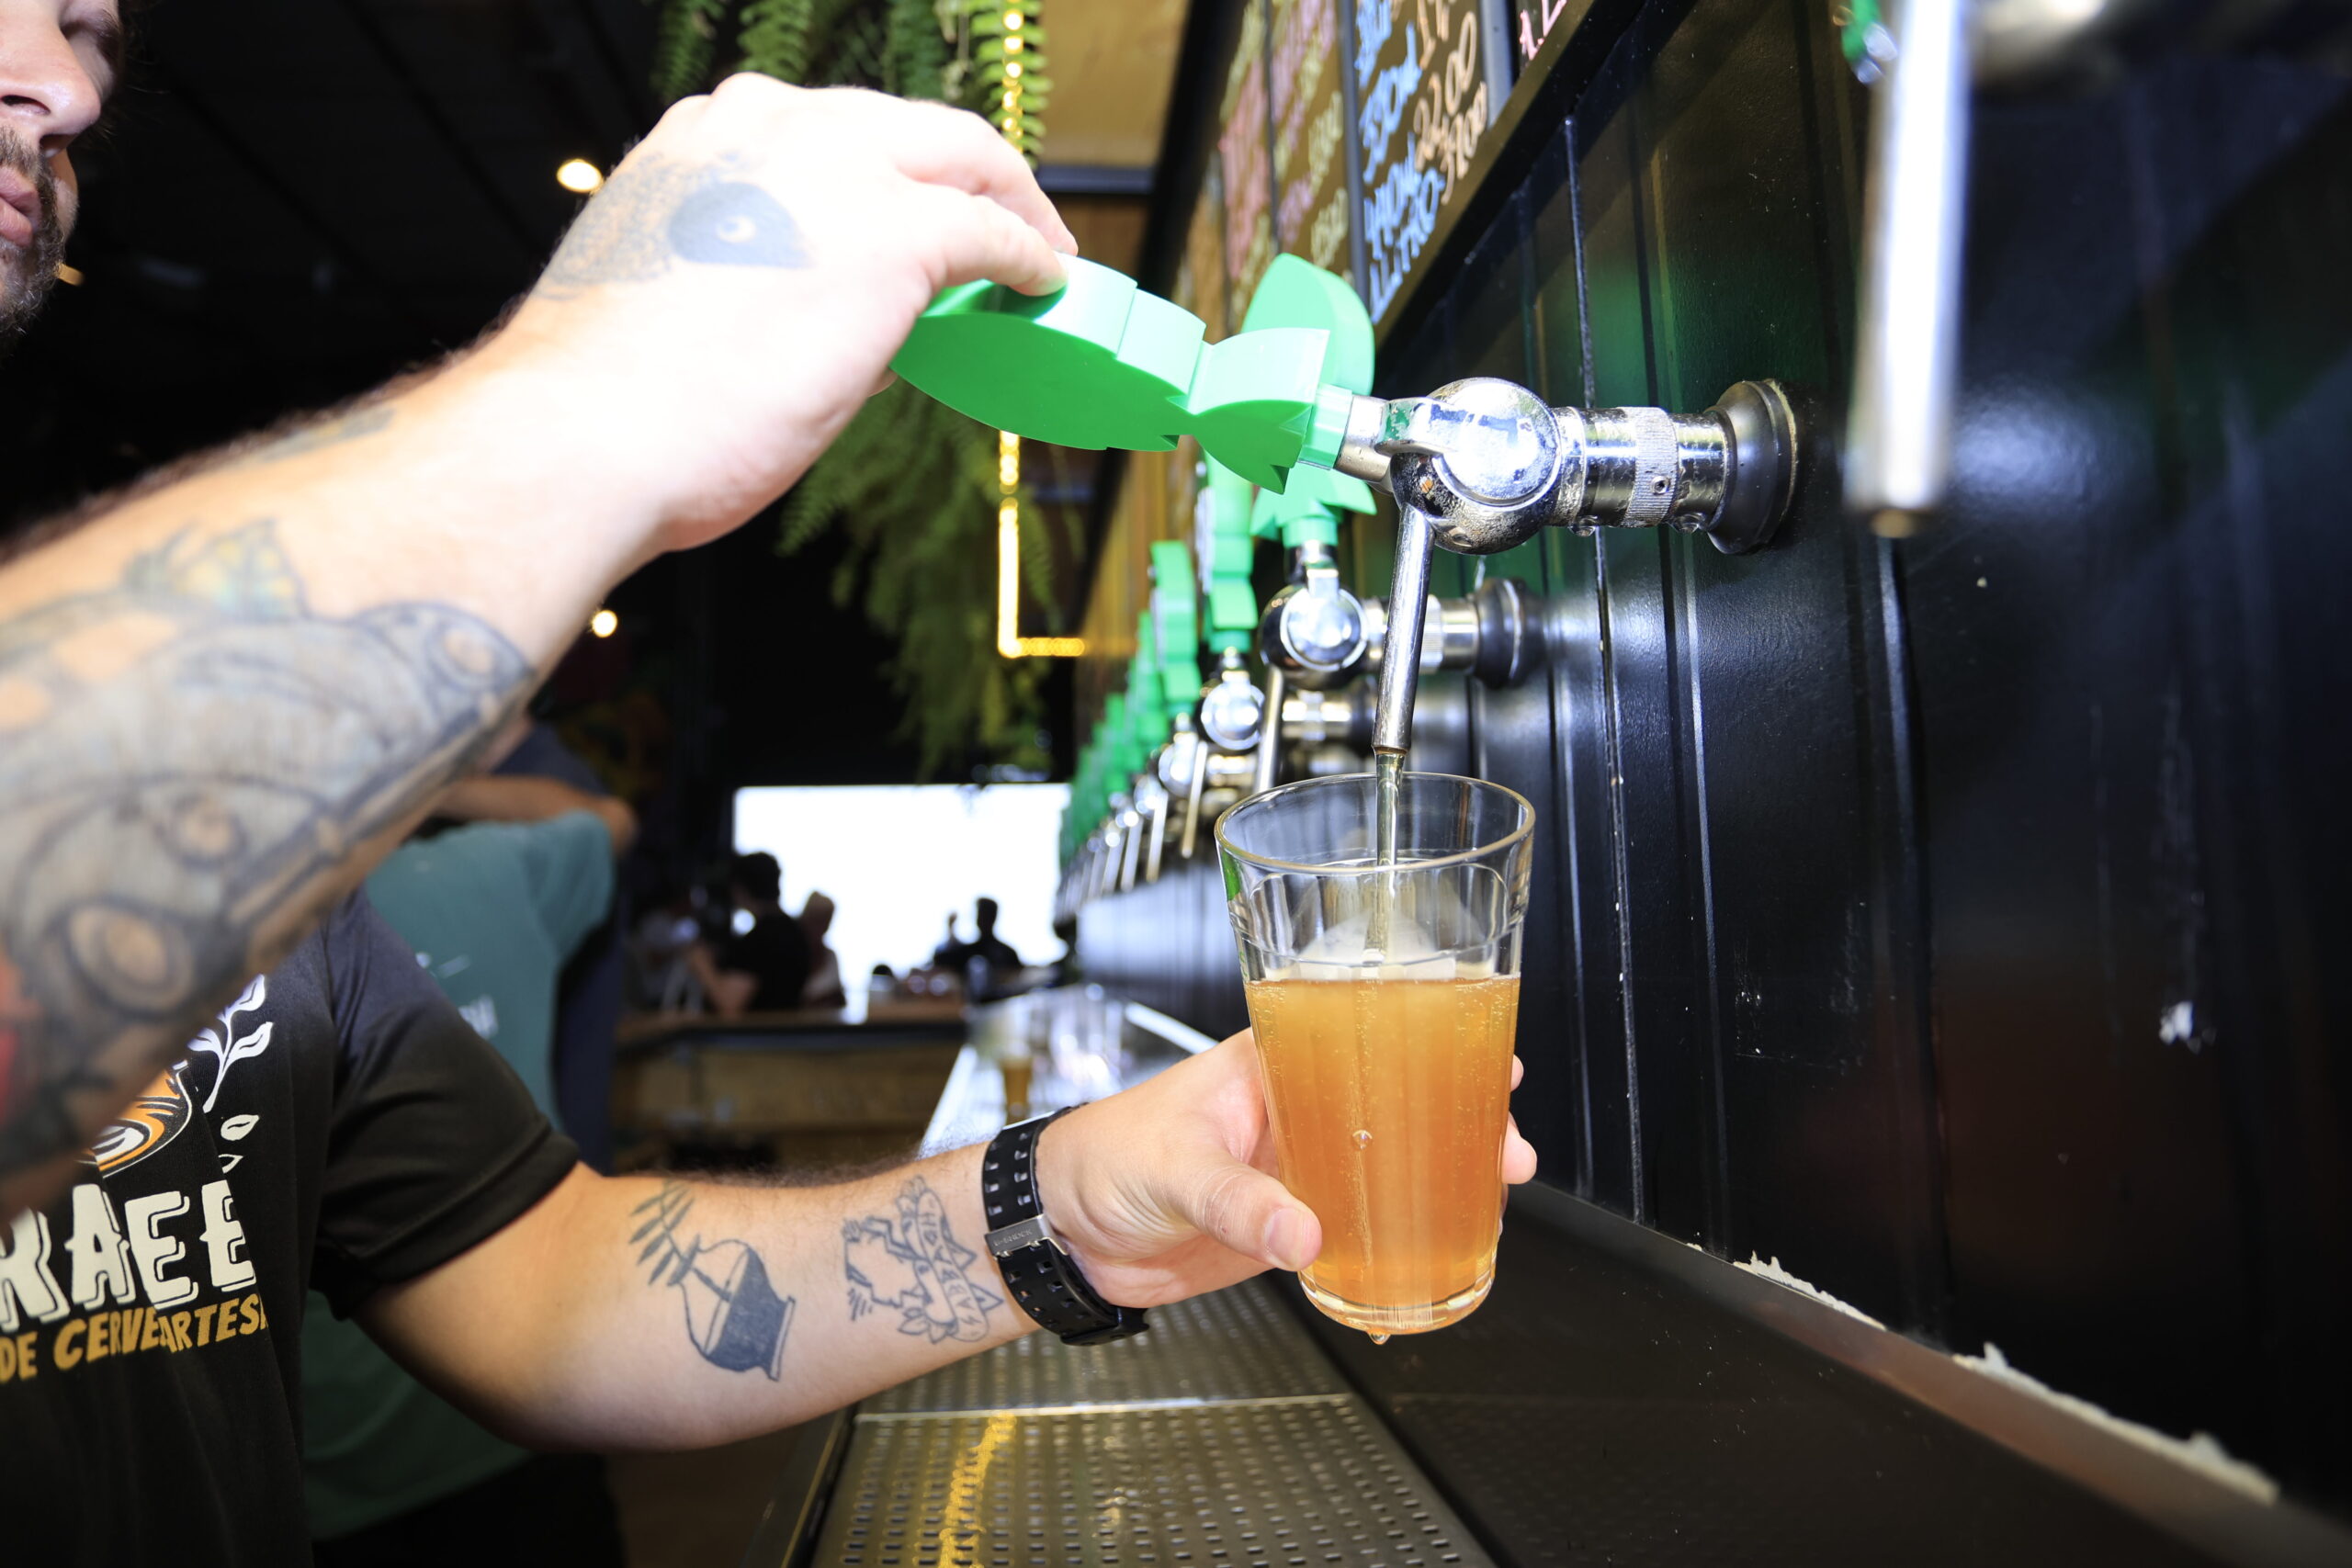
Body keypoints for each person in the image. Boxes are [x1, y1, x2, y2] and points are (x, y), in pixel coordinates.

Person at [0, 14, 1539, 1562]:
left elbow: (544, 1288)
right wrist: (588, 397)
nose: (71, 86)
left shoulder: (254, 863)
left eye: (86, 28)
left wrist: (1067, 1205)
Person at [303, 768, 635, 1566]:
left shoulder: (222, 940)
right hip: (536, 1399)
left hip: (325, 1446)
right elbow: (609, 818)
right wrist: (436, 778)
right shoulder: (490, 872)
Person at [687, 851, 808, 1015]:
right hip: (789, 1033)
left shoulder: (760, 939)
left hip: (758, 1037)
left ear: (740, 888)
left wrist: (703, 965)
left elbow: (729, 1005)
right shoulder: (796, 931)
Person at [799, 890, 846, 1008]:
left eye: (827, 921)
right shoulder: (791, 954)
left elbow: (841, 1000)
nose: (822, 927)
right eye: (817, 920)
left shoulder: (831, 956)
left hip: (826, 1023)